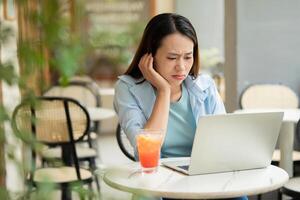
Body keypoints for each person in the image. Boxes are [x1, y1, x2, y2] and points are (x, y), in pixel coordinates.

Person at [114, 13, 248, 200]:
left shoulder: (205, 85)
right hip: (157, 180)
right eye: (172, 58)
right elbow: (145, 150)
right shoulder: (127, 88)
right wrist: (163, 91)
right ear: (149, 56)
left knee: (238, 195)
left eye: (188, 57)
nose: (182, 67)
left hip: (202, 177)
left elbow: (221, 143)